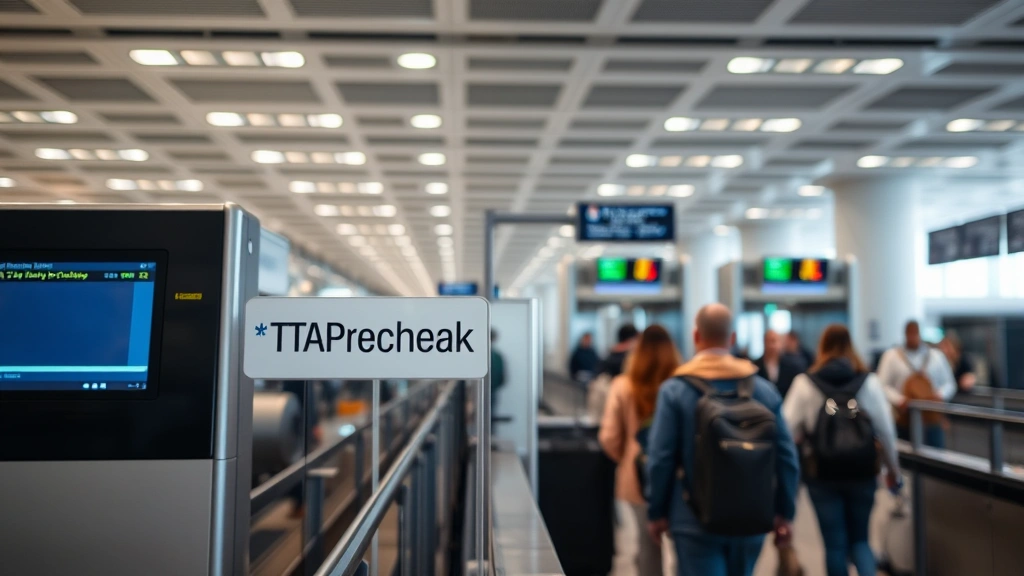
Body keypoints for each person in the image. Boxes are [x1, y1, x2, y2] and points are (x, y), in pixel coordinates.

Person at [646, 303, 800, 576]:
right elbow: (787, 456)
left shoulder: (675, 390)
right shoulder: (764, 391)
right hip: (752, 515)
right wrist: (785, 512)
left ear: (696, 336)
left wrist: (656, 511)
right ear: (732, 338)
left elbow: (661, 458)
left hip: (692, 518)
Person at [782, 324, 902, 576]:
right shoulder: (868, 382)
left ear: (822, 347)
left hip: (822, 473)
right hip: (862, 472)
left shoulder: (805, 383)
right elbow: (886, 431)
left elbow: (786, 429)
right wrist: (893, 470)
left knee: (834, 545)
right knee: (861, 540)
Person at [598, 325, 681, 576]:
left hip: (637, 475)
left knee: (647, 546)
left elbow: (609, 436)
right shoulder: (681, 384)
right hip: (679, 474)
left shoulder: (623, 385)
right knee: (682, 546)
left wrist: (626, 457)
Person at [877, 321, 956, 448]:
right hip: (903, 418)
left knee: (935, 453)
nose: (913, 336)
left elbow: (950, 384)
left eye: (915, 333)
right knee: (906, 453)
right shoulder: (891, 356)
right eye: (910, 333)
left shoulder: (936, 356)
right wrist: (899, 400)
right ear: (905, 334)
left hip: (932, 418)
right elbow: (882, 385)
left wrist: (939, 396)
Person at [754, 329, 804, 398]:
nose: (771, 346)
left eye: (774, 341)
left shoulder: (792, 367)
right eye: (768, 341)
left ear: (780, 343)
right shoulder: (755, 367)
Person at [490, 329, 506, 411]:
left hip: (492, 391)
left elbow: (502, 378)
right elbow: (502, 378)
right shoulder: (497, 356)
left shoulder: (497, 356)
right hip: (492, 391)